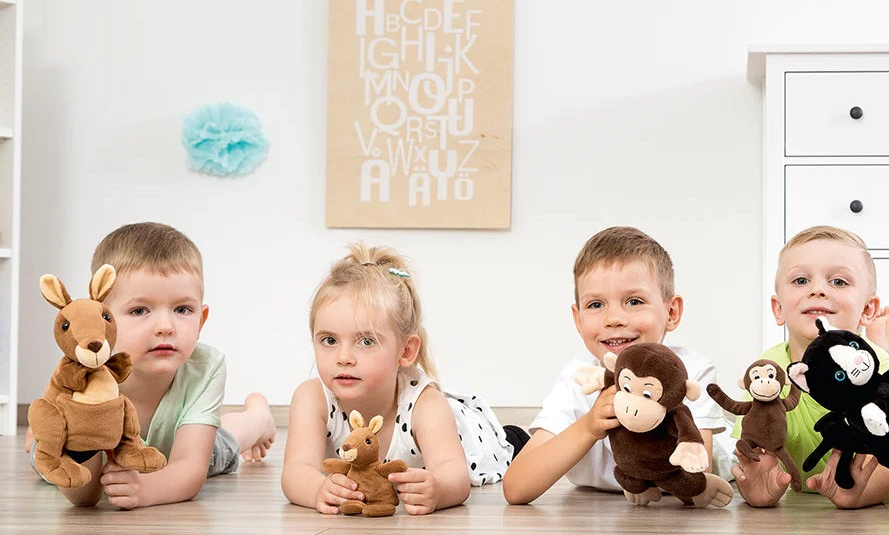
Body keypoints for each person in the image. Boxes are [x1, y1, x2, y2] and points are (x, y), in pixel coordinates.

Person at [29, 221, 276, 508]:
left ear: (201, 320)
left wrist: (147, 490)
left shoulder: (206, 366)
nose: (165, 327)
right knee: (44, 455)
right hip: (83, 447)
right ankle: (38, 430)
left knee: (219, 448)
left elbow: (189, 469)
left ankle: (259, 418)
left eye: (182, 309)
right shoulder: (83, 367)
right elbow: (84, 496)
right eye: (139, 310)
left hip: (173, 455)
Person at [282, 241, 516, 516]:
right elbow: (295, 471)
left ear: (405, 351)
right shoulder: (312, 398)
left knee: (510, 444)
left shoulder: (426, 405)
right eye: (329, 340)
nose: (343, 357)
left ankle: (524, 436)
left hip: (470, 437)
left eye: (366, 341)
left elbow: (456, 475)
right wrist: (316, 489)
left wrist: (438, 489)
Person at [503, 225, 731, 505]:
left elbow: (695, 475)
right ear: (578, 319)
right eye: (596, 305)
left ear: (671, 312)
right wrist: (589, 427)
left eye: (634, 301)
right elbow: (516, 488)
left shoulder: (691, 372)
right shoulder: (578, 379)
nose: (613, 318)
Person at [732, 224, 889, 509]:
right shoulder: (767, 373)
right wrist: (756, 491)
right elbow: (752, 455)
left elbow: (884, 468)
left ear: (867, 309)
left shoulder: (876, 370)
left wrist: (858, 494)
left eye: (838, 282)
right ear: (778, 309)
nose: (818, 290)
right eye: (800, 281)